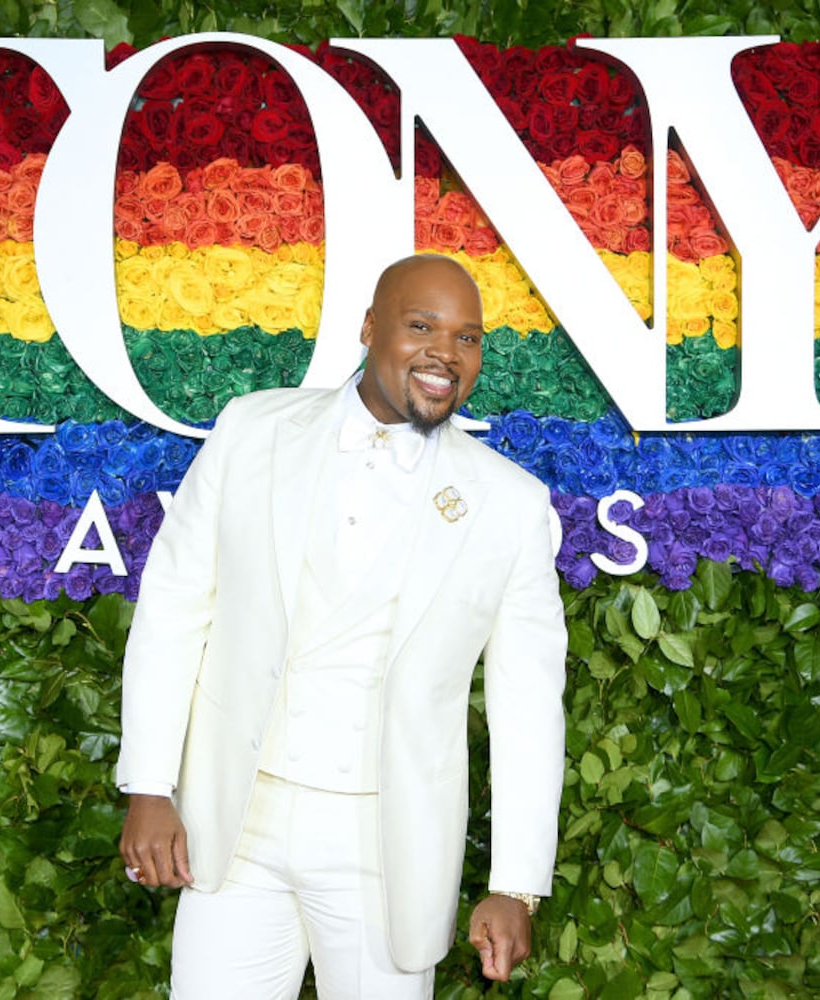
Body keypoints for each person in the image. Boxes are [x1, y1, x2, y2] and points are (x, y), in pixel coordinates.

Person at [115, 253, 566, 998]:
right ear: (367, 327)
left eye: (467, 338)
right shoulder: (252, 429)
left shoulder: (510, 505)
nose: (444, 354)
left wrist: (516, 887)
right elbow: (174, 605)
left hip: (388, 848)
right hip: (236, 822)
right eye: (421, 326)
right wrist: (148, 785)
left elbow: (527, 707)